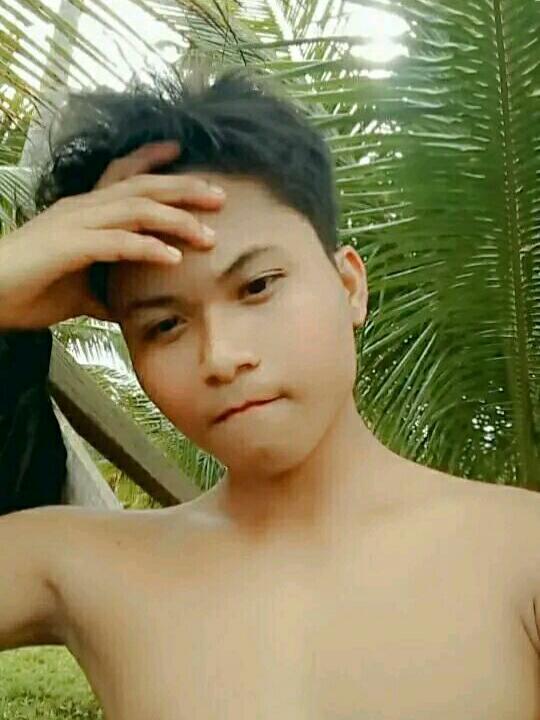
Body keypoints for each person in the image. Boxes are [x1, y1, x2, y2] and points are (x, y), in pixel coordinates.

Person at [0, 67, 539, 720]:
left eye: (257, 286)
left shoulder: (520, 553)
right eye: (164, 325)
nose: (222, 356)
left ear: (349, 286)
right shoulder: (82, 566)